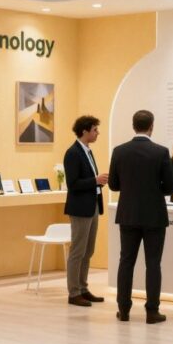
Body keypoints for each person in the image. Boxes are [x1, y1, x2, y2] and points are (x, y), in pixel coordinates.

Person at [108, 110, 173, 324]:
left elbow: (113, 185)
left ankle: (124, 309)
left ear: (133, 126)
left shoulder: (119, 151)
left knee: (126, 262)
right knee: (153, 263)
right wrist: (154, 189)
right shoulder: (161, 152)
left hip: (128, 214)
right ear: (151, 126)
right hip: (154, 215)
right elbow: (170, 187)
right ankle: (152, 311)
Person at [63, 115, 109, 307]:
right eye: (95, 130)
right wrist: (95, 180)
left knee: (88, 251)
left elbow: (87, 181)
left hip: (92, 206)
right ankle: (74, 292)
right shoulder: (73, 153)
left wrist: (98, 183)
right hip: (80, 208)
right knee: (77, 251)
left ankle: (83, 288)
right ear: (85, 131)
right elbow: (73, 184)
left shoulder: (88, 151)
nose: (98, 133)